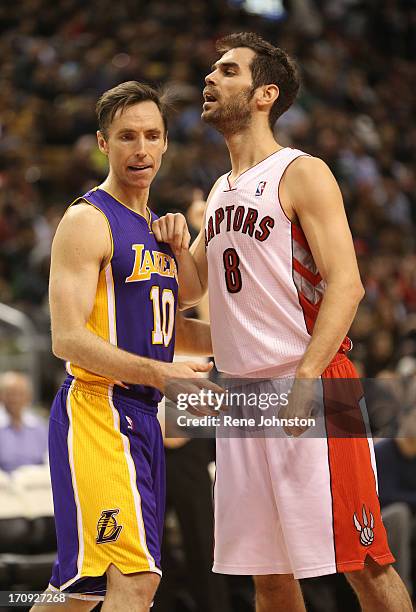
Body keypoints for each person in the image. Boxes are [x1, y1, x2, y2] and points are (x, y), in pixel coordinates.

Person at [152, 33, 412, 612]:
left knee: (365, 562)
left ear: (265, 93)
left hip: (314, 384)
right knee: (267, 576)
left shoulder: (302, 172)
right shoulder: (219, 192)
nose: (210, 79)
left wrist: (305, 381)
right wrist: (173, 245)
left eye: (227, 70)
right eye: (211, 70)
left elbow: (348, 284)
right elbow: (193, 289)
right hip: (244, 395)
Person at [31, 81, 215, 612]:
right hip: (97, 408)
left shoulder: (155, 229)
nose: (141, 148)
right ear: (102, 143)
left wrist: (260, 344)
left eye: (152, 135)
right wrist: (161, 374)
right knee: (135, 580)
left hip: (140, 414)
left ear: (165, 144)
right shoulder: (88, 220)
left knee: (81, 592)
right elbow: (66, 338)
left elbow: (171, 322)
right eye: (127, 136)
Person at [375, 408, 416, 596]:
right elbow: (385, 495)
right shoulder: (383, 450)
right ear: (403, 418)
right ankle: (402, 591)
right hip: (381, 519)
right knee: (400, 513)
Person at [0, 371, 48, 473]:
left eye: (20, 394)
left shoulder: (39, 426)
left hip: (33, 484)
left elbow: (48, 460)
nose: (15, 399)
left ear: (28, 397)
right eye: (10, 393)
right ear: (1, 396)